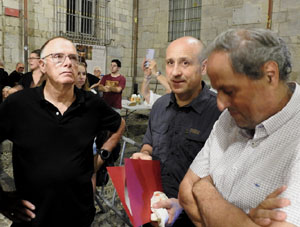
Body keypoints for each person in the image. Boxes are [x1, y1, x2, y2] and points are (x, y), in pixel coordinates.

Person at [179, 28, 300, 227]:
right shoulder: (231, 116)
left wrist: (202, 189)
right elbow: (186, 192)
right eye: (217, 91)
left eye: (229, 90)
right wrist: (244, 220)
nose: (220, 104)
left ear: (269, 75)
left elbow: (194, 188)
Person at [0, 36, 125, 227]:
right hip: (32, 218)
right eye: (58, 56)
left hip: (79, 215)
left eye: (73, 58)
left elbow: (119, 124)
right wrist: (1, 198)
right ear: (42, 65)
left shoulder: (92, 104)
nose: (68, 62)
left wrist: (102, 155)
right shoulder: (18, 105)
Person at [131, 36, 221, 226]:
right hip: (154, 211)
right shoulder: (159, 106)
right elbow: (149, 142)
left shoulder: (220, 113)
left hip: (194, 218)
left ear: (203, 67)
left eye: (185, 63)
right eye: (170, 63)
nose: (175, 72)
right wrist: (145, 153)